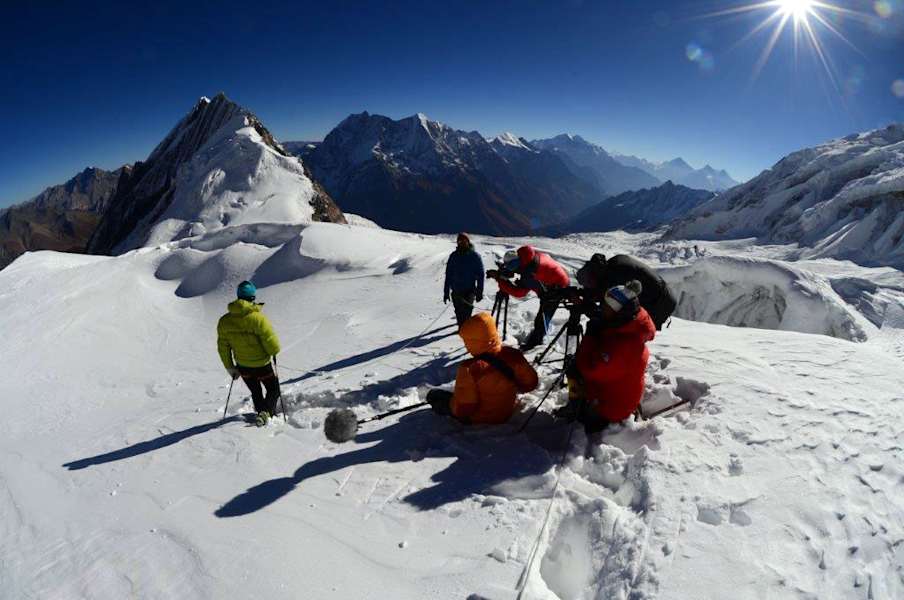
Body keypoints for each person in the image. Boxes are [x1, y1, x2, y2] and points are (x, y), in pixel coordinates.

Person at [557, 280, 656, 433]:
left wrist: (590, 335)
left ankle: (577, 410)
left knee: (574, 369)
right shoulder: (632, 322)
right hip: (623, 391)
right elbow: (606, 320)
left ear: (617, 312)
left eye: (606, 306)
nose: (602, 308)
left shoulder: (622, 347)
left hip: (612, 409)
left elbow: (587, 369)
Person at [427, 312, 538, 424]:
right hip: (507, 411)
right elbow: (530, 384)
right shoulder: (513, 355)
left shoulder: (469, 369)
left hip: (481, 418)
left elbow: (463, 409)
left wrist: (451, 403)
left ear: (471, 342)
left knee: (434, 395)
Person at [217, 281, 282, 426]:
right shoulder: (258, 318)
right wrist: (273, 352)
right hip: (262, 364)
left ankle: (261, 413)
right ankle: (266, 413)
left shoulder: (224, 321)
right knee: (273, 389)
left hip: (243, 366)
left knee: (256, 391)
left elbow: (223, 348)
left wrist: (230, 367)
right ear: (253, 298)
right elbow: (273, 345)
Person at [488, 245, 569, 351]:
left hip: (557, 289)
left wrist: (500, 280)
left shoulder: (530, 273)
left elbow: (519, 292)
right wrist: (507, 272)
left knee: (542, 318)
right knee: (543, 315)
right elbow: (520, 270)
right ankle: (537, 338)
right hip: (558, 279)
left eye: (512, 267)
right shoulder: (528, 258)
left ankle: (535, 345)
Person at [575, 253, 676, 330]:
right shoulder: (612, 267)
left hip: (659, 304)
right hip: (662, 296)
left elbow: (606, 315)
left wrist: (584, 305)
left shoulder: (616, 278)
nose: (587, 286)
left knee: (621, 330)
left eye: (589, 282)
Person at [443, 232, 485, 328]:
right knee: (459, 312)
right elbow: (448, 274)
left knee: (466, 314)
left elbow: (480, 275)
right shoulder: (453, 256)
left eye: (464, 241)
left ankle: (465, 332)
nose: (462, 243)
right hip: (456, 291)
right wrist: (446, 292)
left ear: (468, 242)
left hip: (469, 291)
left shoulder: (474, 256)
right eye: (460, 241)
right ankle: (463, 331)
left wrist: (479, 291)